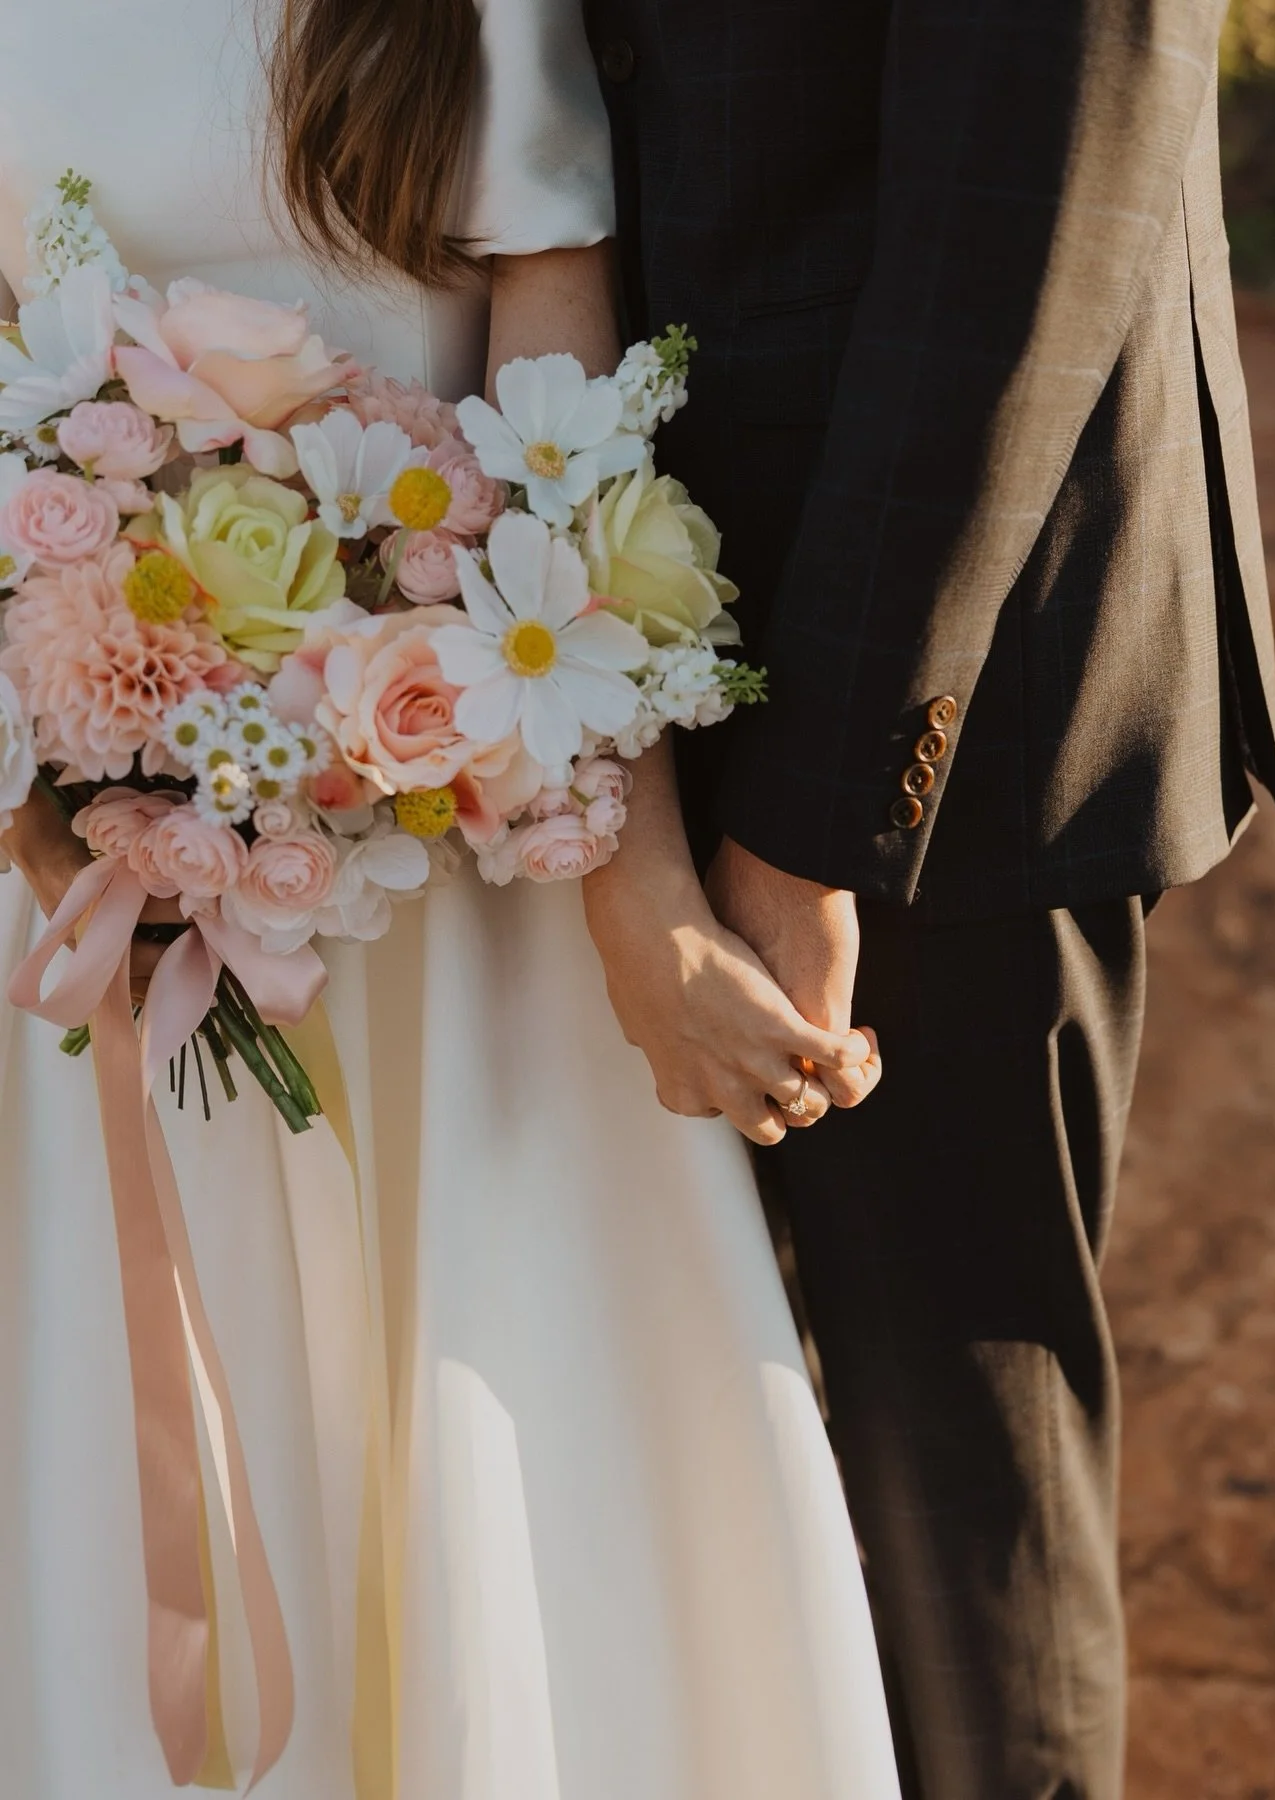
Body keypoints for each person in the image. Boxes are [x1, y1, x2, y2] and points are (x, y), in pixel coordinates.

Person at [0, 3, 901, 1795]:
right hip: (94, 880)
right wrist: (51, 793)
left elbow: (563, 454)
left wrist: (634, 880)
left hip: (455, 867)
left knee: (487, 1447)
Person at [589, 1, 1275, 1795]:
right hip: (599, 680)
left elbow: (1036, 195)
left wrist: (820, 819)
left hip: (930, 694)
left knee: (953, 1472)